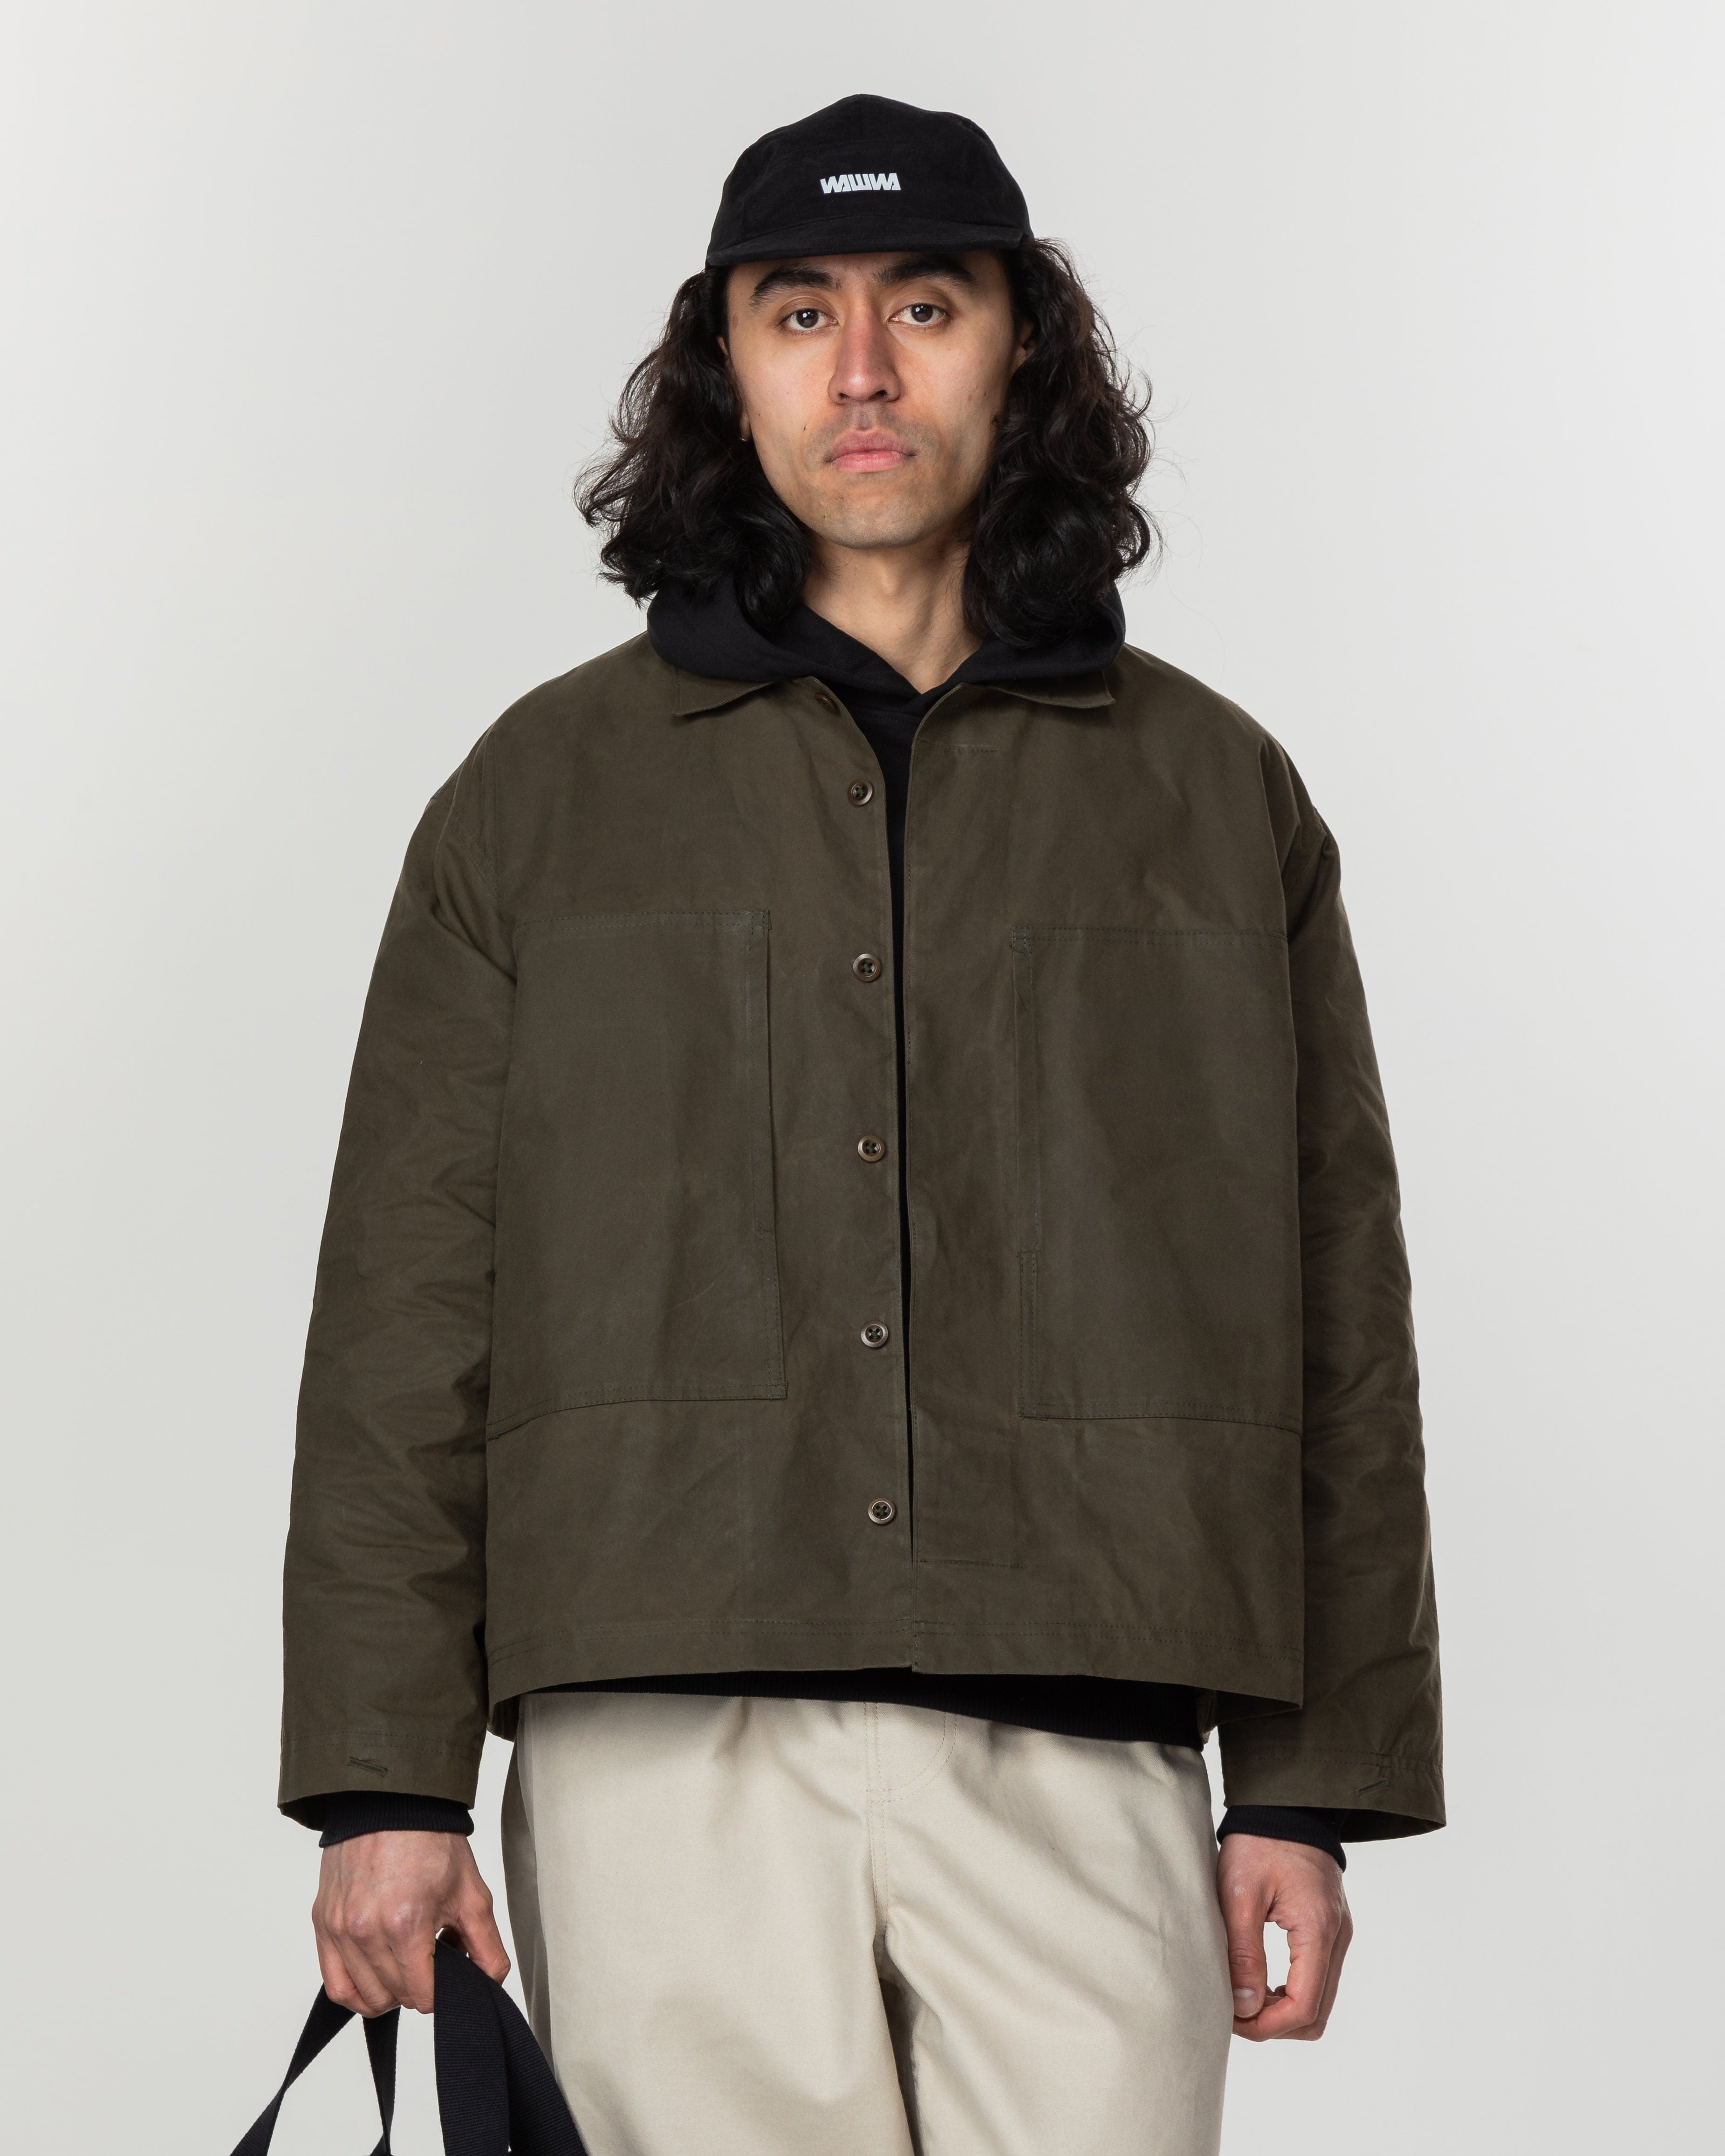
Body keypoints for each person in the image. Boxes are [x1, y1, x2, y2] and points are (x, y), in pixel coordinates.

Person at [281, 95, 1442, 2156]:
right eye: (800, 312)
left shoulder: (1211, 795)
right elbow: (407, 1301)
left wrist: (1307, 1781)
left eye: (927, 303)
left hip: (1086, 1724)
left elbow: (1332, 1302)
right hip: (663, 1742)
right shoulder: (539, 797)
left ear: (1023, 346)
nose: (866, 370)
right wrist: (385, 1781)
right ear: (726, 368)